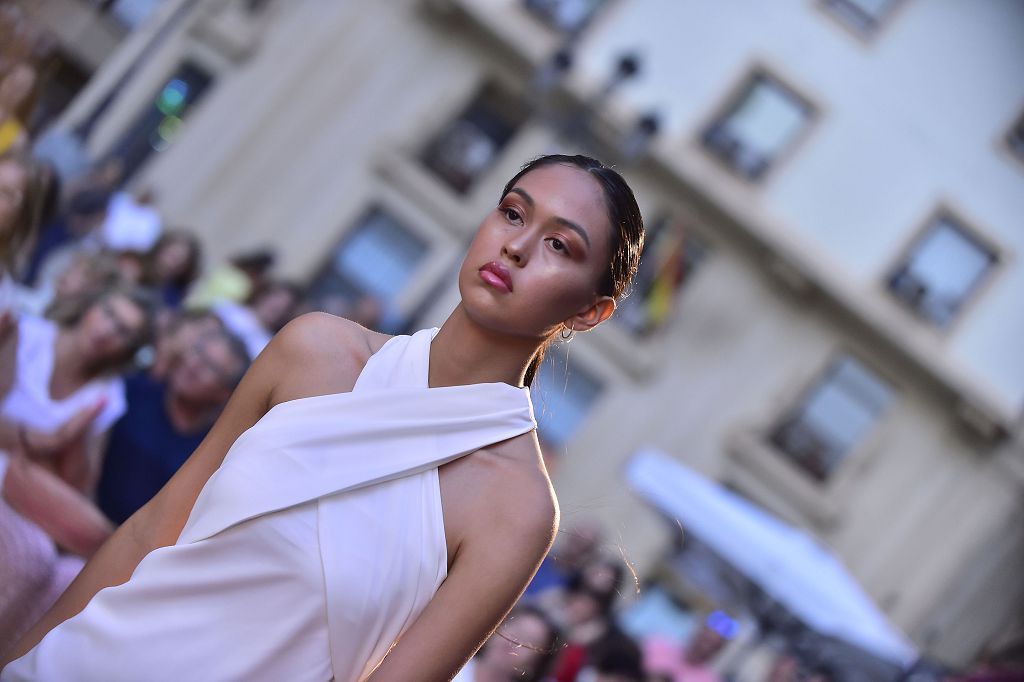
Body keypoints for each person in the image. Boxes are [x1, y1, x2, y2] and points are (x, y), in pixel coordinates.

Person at [1, 153, 645, 681]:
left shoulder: (518, 509)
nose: (517, 246)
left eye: (560, 245)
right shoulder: (313, 349)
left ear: (592, 311)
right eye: (511, 213)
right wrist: (20, 658)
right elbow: (150, 534)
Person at [95, 325, 249, 525]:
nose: (195, 367)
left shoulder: (213, 452)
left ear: (224, 394)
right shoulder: (130, 392)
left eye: (211, 367)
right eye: (198, 353)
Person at [454, 604, 562, 682]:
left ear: (536, 663)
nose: (514, 641)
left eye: (529, 642)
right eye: (516, 628)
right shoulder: (452, 663)